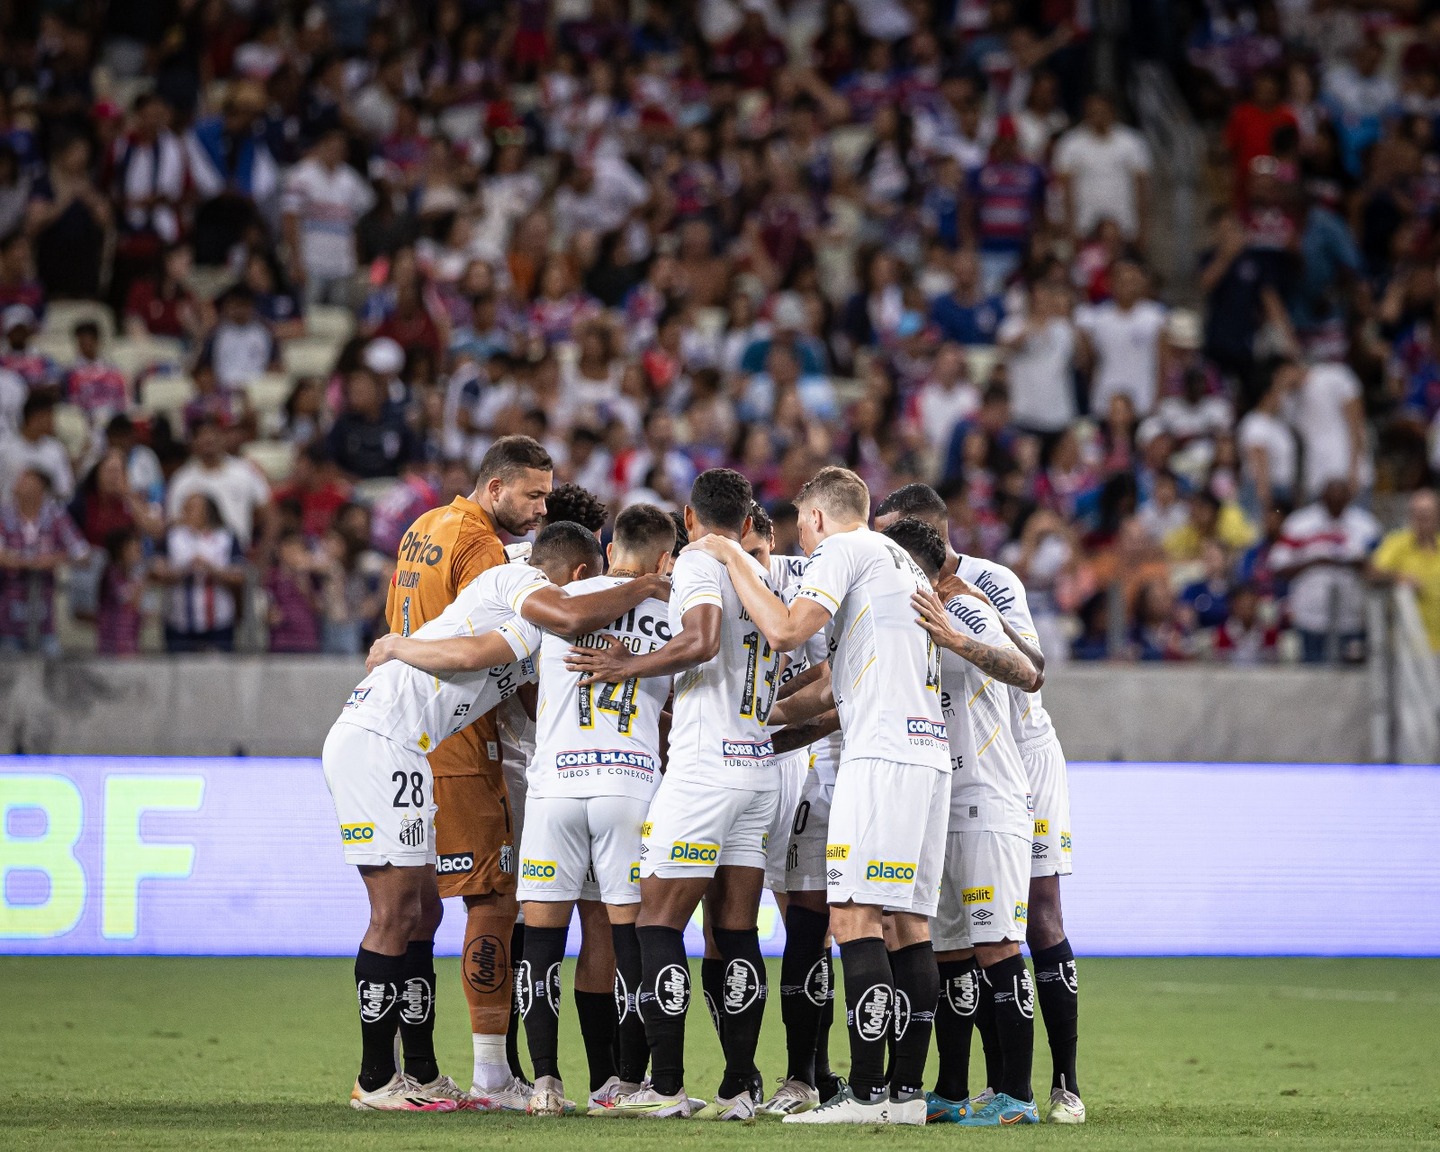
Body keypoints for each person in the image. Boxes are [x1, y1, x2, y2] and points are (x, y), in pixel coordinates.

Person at [330, 520, 663, 1111]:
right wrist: (644, 587)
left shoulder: (536, 635)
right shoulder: (518, 587)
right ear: (579, 578)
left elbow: (531, 700)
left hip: (406, 745)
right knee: (395, 910)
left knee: (423, 909)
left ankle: (423, 1075)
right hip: (380, 738)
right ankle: (376, 1078)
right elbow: (472, 652)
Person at [685, 467, 947, 1125]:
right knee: (908, 924)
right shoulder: (901, 564)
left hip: (880, 755)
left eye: (803, 522)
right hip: (925, 754)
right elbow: (835, 681)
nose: (803, 536)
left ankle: (862, 1095)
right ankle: (904, 1095)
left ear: (821, 518)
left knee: (853, 918)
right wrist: (762, 714)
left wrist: (730, 555)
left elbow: (784, 631)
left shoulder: (844, 549)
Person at [564, 468, 782, 1120]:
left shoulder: (697, 561)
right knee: (734, 933)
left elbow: (701, 638)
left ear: (690, 518)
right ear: (747, 522)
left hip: (704, 768)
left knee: (658, 922)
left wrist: (626, 665)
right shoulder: (761, 575)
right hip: (757, 766)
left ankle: (664, 1086)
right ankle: (740, 1087)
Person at [872, 482, 1084, 1124]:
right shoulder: (910, 608)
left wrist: (958, 634)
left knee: (1012, 932)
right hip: (941, 787)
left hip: (1005, 775)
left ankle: (1032, 1090)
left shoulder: (980, 595)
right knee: (951, 945)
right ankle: (960, 1087)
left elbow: (1029, 668)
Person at [506, 504, 675, 1115]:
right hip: (629, 785)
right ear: (663, 558)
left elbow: (511, 669)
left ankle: (546, 1082)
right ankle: (625, 1083)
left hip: (554, 784)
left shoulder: (561, 597)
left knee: (542, 944)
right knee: (630, 938)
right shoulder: (671, 605)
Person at [1269, 479, 1381, 663]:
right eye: (1331, 499)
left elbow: (1380, 567)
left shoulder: (1366, 525)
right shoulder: (1300, 523)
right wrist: (1315, 562)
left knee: (1351, 677)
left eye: (1340, 499)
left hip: (1351, 616)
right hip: (1309, 616)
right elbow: (1277, 565)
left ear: (1349, 498)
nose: (1336, 503)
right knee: (1312, 676)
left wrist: (1357, 564)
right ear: (1322, 497)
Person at [0, 468, 88, 654]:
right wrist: (26, 562)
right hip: (8, 622)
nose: (18, 483)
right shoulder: (4, 516)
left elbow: (82, 553)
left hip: (45, 620)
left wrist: (53, 559)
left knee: (54, 661)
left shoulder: (55, 516)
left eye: (25, 479)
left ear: (40, 486)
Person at [1052, 92, 1151, 248]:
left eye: (1102, 111)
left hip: (1124, 226)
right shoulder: (1071, 143)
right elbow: (1064, 189)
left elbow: (1141, 187)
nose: (1098, 116)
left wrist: (1143, 227)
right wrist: (1069, 227)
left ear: (1112, 112)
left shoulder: (1132, 142)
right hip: (1084, 227)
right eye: (1093, 112)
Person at [153, 493, 245, 653]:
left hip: (218, 621)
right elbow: (158, 572)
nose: (186, 512)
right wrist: (186, 569)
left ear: (208, 511)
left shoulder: (226, 536)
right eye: (185, 508)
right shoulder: (173, 536)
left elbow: (239, 576)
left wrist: (210, 569)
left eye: (192, 508)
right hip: (179, 621)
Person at [165, 418, 272, 548]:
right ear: (192, 442)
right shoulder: (181, 480)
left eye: (212, 433)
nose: (208, 439)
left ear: (222, 437)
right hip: (195, 558)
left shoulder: (245, 471)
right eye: (201, 435)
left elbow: (270, 517)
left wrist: (262, 557)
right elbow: (174, 524)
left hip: (238, 557)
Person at [1370, 488, 1440, 654]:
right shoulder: (1397, 543)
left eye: (1428, 513)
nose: (1424, 519)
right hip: (1407, 646)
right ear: (1411, 515)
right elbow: (1371, 573)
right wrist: (1398, 577)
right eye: (1419, 513)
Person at [0, 392, 75, 501]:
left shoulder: (56, 450)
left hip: (45, 514)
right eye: (49, 416)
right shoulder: (4, 448)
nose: (53, 422)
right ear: (35, 418)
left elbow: (64, 490)